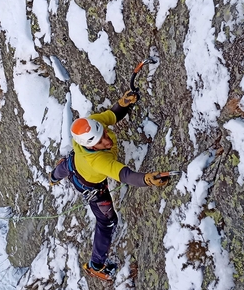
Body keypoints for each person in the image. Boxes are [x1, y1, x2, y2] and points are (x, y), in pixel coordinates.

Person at [49, 90, 171, 281]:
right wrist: (147, 179)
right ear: (90, 146)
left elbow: (112, 115)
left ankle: (54, 176)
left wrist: (123, 103)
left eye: (104, 134)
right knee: (107, 221)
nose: (107, 140)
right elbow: (124, 174)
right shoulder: (99, 161)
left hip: (74, 164)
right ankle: (96, 265)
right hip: (92, 187)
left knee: (65, 166)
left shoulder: (91, 126)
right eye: (100, 142)